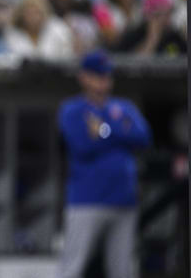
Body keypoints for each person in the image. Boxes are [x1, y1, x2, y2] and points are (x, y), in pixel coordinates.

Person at [57, 50, 152, 278]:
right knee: (72, 268)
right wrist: (120, 132)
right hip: (86, 200)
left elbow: (143, 137)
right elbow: (82, 145)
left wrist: (103, 130)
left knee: (123, 271)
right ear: (84, 77)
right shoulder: (72, 109)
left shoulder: (124, 106)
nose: (103, 81)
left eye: (107, 75)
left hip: (124, 200)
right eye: (97, 75)